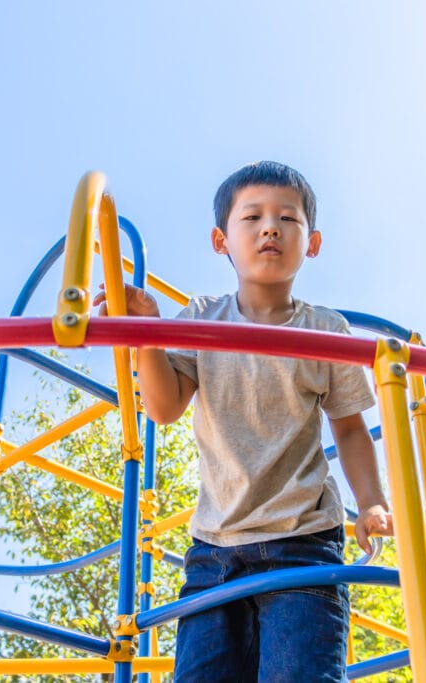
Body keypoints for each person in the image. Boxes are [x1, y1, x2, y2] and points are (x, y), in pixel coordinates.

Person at [96, 161, 391, 682]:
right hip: (214, 549)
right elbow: (164, 408)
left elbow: (349, 427)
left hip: (302, 540)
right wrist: (146, 333)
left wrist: (371, 502)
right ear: (221, 240)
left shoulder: (326, 330)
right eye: (251, 217)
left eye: (287, 219)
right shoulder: (203, 319)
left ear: (313, 242)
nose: (270, 228)